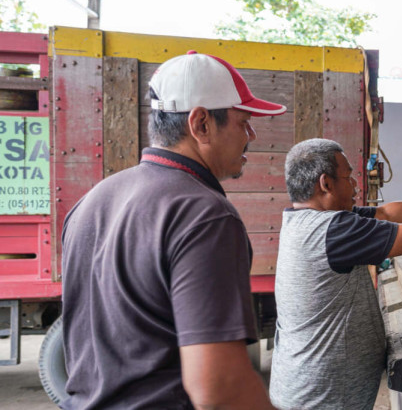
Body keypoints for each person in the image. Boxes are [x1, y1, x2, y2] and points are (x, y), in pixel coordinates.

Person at [61, 51, 285, 409]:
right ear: (201, 124)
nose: (252, 135)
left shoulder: (93, 201)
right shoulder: (205, 216)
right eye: (243, 122)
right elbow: (220, 389)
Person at [269, 138, 402, 410]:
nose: (356, 185)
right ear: (325, 184)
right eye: (349, 177)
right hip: (322, 395)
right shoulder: (332, 230)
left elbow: (386, 213)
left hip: (306, 383)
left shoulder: (304, 220)